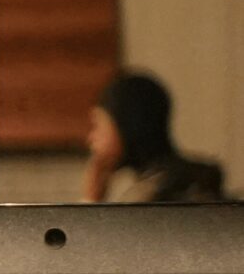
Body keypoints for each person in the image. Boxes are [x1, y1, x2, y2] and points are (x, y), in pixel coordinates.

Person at [83, 69, 225, 204]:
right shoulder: (184, 180)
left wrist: (91, 202)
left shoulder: (157, 198)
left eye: (98, 126)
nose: (91, 138)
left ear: (127, 126)